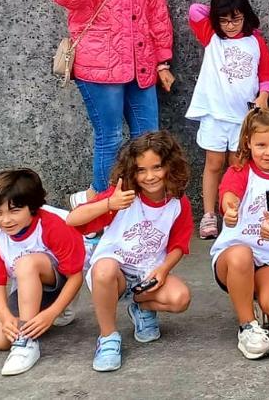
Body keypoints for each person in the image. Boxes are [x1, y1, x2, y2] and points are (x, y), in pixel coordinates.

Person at [51, 0, 174, 206]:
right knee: (111, 137)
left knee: (149, 138)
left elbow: (157, 15)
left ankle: (145, 206)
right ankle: (101, 204)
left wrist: (162, 62)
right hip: (98, 67)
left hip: (141, 66)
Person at [68, 132, 193, 371]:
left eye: (156, 167)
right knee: (104, 269)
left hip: (147, 273)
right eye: (140, 169)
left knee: (180, 299)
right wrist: (108, 204)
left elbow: (179, 244)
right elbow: (73, 220)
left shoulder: (178, 202)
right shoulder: (123, 196)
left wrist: (164, 269)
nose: (149, 176)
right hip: (115, 272)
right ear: (131, 171)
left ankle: (139, 306)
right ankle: (107, 337)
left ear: (170, 165)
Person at [210, 108, 269, 360]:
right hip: (232, 258)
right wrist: (229, 208)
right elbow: (229, 194)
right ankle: (247, 326)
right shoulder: (240, 171)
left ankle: (254, 298)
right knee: (242, 253)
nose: (268, 151)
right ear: (248, 143)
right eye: (261, 144)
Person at [186, 0, 269, 240]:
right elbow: (195, 10)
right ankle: (209, 215)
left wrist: (264, 95)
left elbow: (267, 75)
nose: (230, 25)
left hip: (243, 117)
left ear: (246, 16)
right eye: (224, 20)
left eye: (236, 19)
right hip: (214, 114)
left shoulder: (255, 41)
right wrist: (218, 13)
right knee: (213, 164)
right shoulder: (211, 35)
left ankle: (237, 212)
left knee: (238, 166)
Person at [0, 169, 84, 376]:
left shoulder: (53, 225)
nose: (6, 220)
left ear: (32, 207)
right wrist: (4, 316)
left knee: (25, 263)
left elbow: (76, 275)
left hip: (61, 285)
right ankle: (29, 324)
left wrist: (52, 312)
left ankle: (27, 343)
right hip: (27, 289)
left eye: (14, 211)